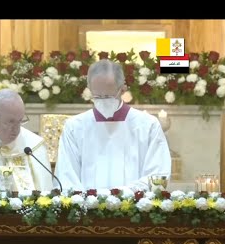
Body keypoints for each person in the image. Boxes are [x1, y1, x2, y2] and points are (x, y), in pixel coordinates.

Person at [54, 59, 171, 192]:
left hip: (136, 207)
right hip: (87, 208)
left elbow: (157, 175)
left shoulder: (148, 125)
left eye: (108, 96)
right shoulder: (75, 127)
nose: (103, 101)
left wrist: (121, 195)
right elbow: (66, 176)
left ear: (123, 89)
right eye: (97, 96)